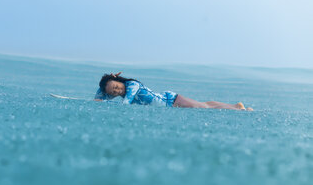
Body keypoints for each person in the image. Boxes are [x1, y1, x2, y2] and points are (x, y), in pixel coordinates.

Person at [94, 72, 253, 111]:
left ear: (120, 81)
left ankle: (238, 109)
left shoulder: (132, 85)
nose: (116, 90)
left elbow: (127, 102)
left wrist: (109, 80)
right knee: (204, 105)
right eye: (113, 92)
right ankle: (235, 106)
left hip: (170, 100)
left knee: (203, 107)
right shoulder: (119, 93)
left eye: (115, 86)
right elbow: (98, 100)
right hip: (169, 104)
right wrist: (102, 88)